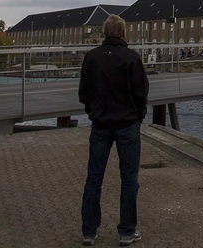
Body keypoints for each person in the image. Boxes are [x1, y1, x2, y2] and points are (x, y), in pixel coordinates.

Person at [79, 14, 149, 247]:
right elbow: (141, 93)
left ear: (105, 33)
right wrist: (138, 116)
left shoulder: (92, 58)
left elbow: (84, 92)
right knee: (129, 179)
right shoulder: (132, 58)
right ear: (123, 33)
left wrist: (93, 111)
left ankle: (89, 231)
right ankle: (126, 232)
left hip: (100, 125)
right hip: (126, 125)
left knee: (94, 178)